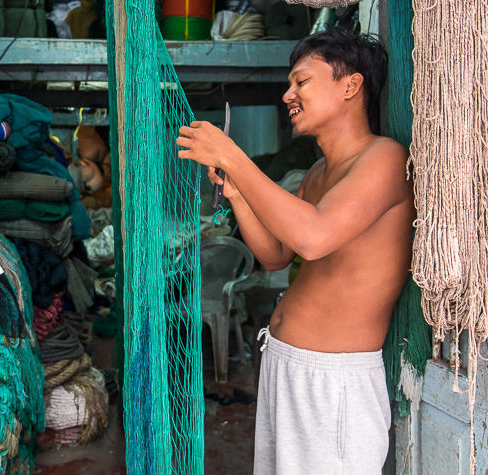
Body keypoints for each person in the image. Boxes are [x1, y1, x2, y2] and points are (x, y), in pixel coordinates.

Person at [176, 27, 414, 474]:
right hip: (288, 366)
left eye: (301, 82)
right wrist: (238, 194)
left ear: (351, 85)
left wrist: (235, 160)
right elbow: (277, 255)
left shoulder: (384, 159)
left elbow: (314, 236)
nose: (288, 95)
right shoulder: (318, 171)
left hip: (334, 383)